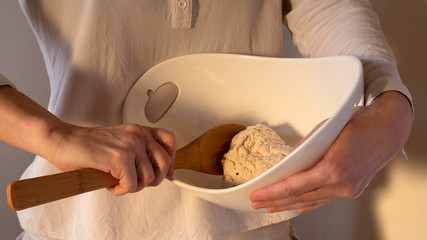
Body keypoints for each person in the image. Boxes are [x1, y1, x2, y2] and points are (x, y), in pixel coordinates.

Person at [0, 0, 413, 239]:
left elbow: (323, 6)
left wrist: (389, 106)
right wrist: (53, 135)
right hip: (90, 225)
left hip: (253, 226)